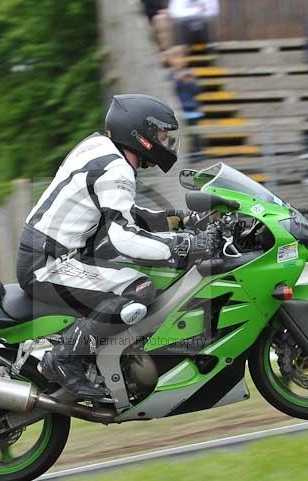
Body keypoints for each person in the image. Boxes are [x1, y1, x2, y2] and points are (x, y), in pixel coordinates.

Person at [16, 94, 219, 398]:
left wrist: (184, 221)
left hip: (50, 252)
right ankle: (65, 359)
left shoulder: (101, 147)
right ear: (141, 134)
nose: (166, 143)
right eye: (162, 136)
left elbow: (125, 215)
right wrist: (183, 247)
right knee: (138, 288)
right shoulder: (117, 170)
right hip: (49, 263)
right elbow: (124, 237)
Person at [167, 46, 205, 160]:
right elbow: (170, 90)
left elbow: (197, 91)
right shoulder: (170, 76)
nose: (179, 61)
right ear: (170, 61)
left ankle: (197, 152)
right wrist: (177, 81)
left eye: (182, 58)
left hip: (191, 107)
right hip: (177, 108)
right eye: (175, 58)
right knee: (177, 133)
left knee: (194, 132)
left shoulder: (190, 74)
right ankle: (178, 152)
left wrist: (190, 82)